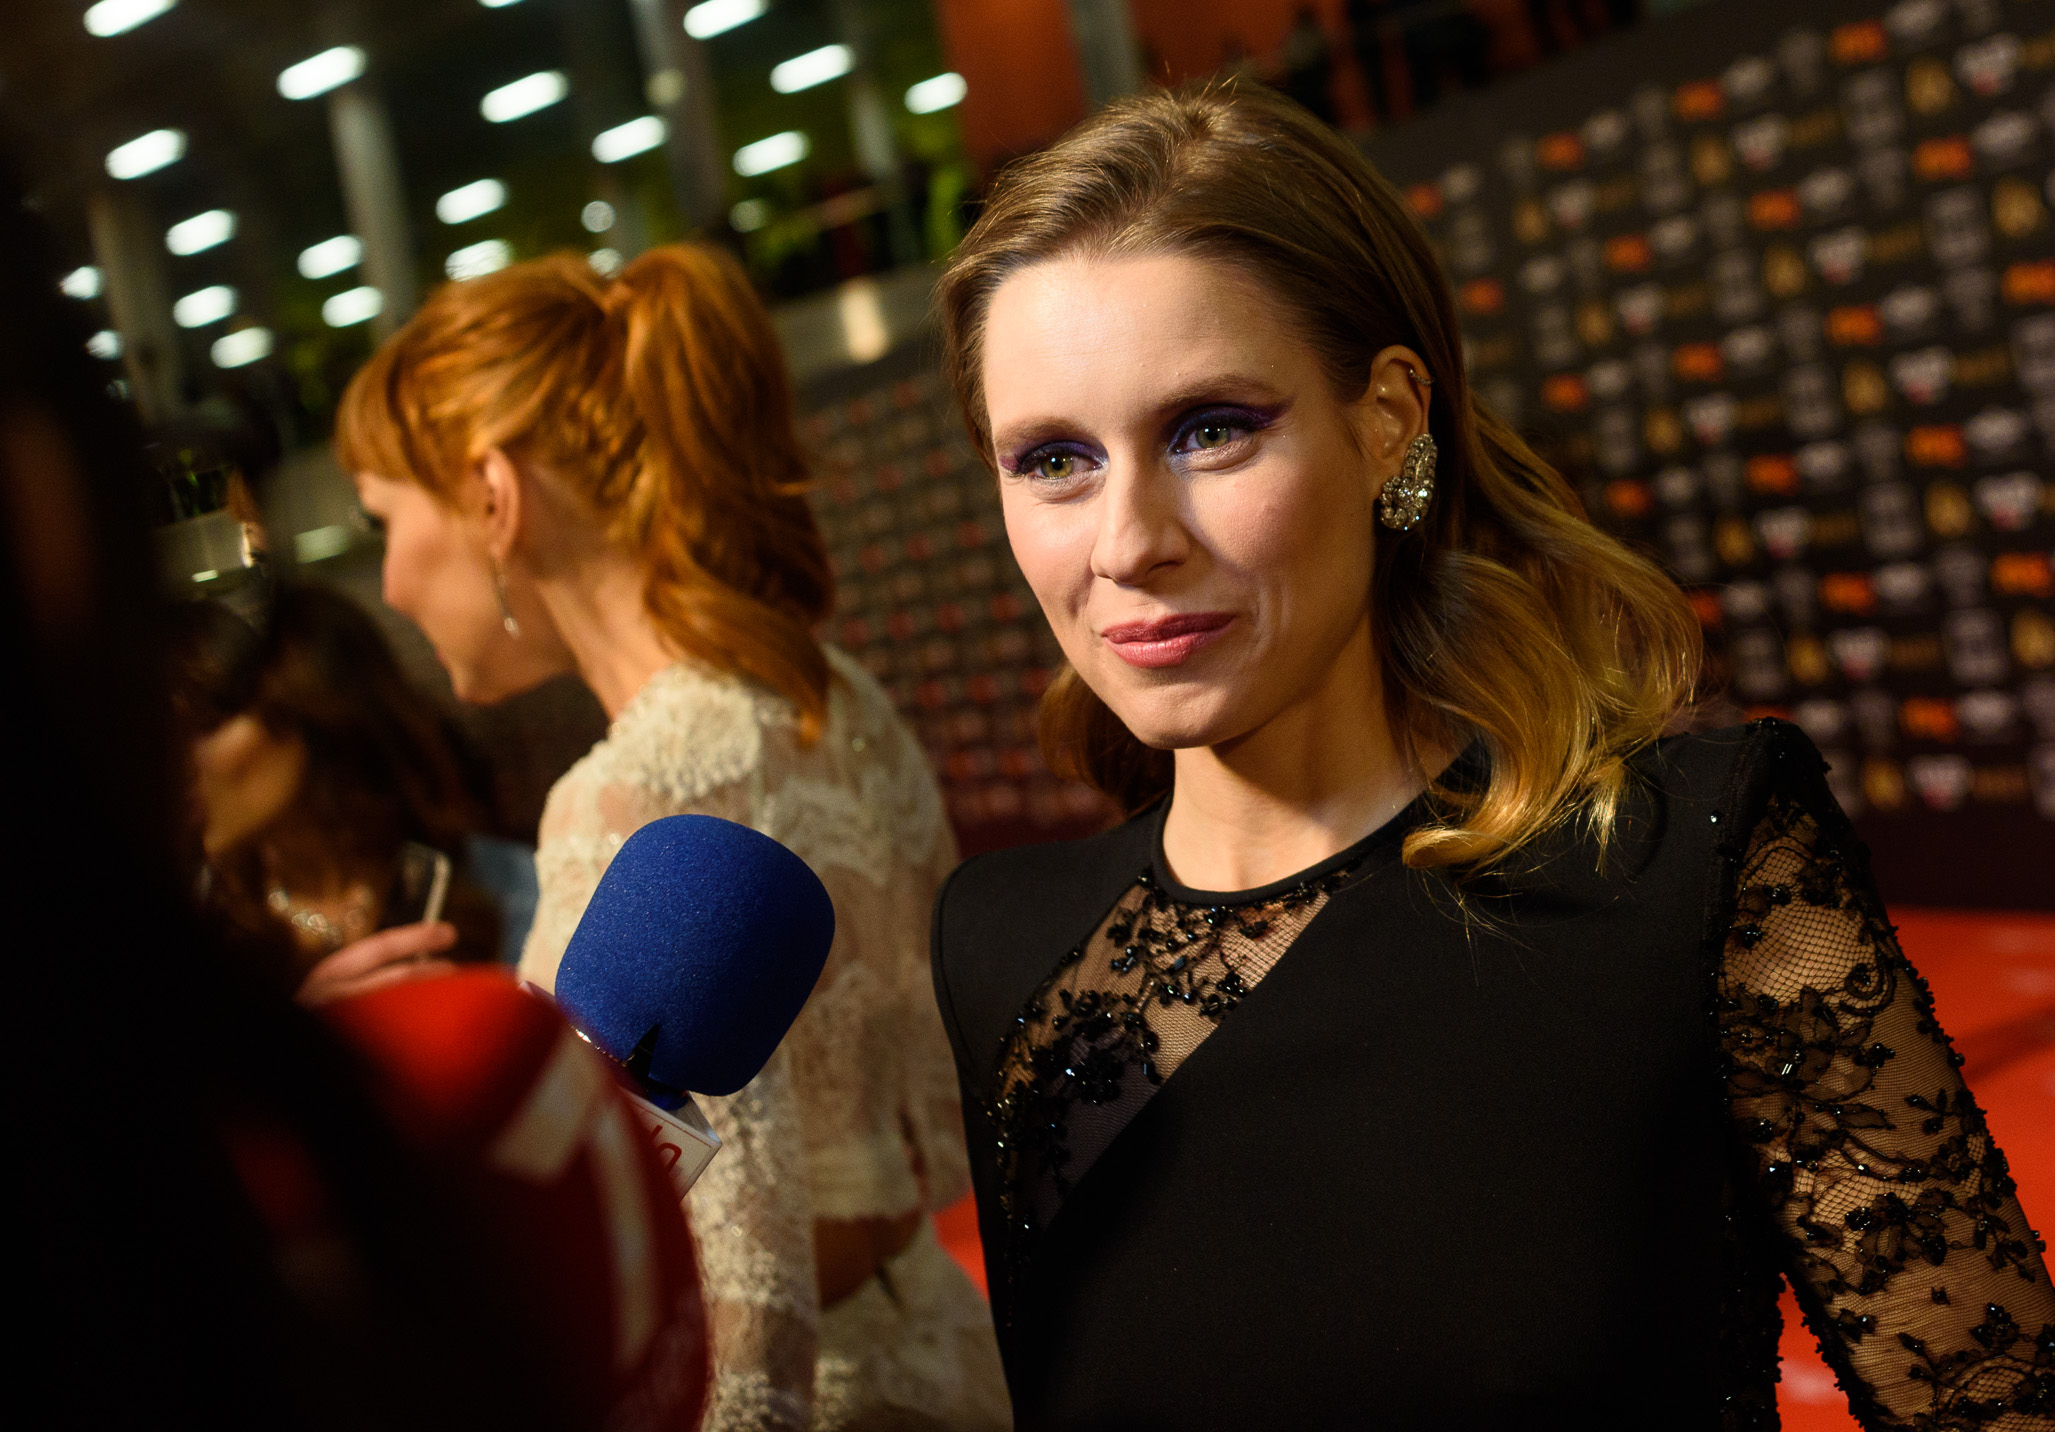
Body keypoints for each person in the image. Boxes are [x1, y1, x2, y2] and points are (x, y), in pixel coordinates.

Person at [928, 83, 2055, 1429]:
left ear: (1387, 421)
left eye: (1209, 430)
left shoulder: (1686, 873)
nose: (1126, 542)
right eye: (1052, 460)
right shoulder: (1002, 951)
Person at [334, 244, 1010, 1432]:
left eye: (384, 520)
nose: (385, 584)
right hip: (946, 1357)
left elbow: (726, 1291)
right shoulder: (830, 692)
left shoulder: (625, 796)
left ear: (492, 495)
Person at [168, 584, 501, 1001]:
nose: (176, 766)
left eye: (203, 725)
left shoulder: (488, 877)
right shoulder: (200, 929)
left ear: (296, 702)